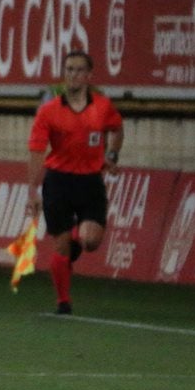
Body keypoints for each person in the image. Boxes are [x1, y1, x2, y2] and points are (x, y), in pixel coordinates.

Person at [25, 50, 123, 316]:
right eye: (69, 69)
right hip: (58, 181)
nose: (73, 75)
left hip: (90, 181)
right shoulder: (49, 111)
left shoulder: (102, 107)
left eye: (79, 70)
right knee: (60, 242)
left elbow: (117, 128)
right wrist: (33, 190)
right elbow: (36, 151)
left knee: (91, 241)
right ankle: (63, 302)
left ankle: (76, 247)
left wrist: (112, 154)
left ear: (89, 75)